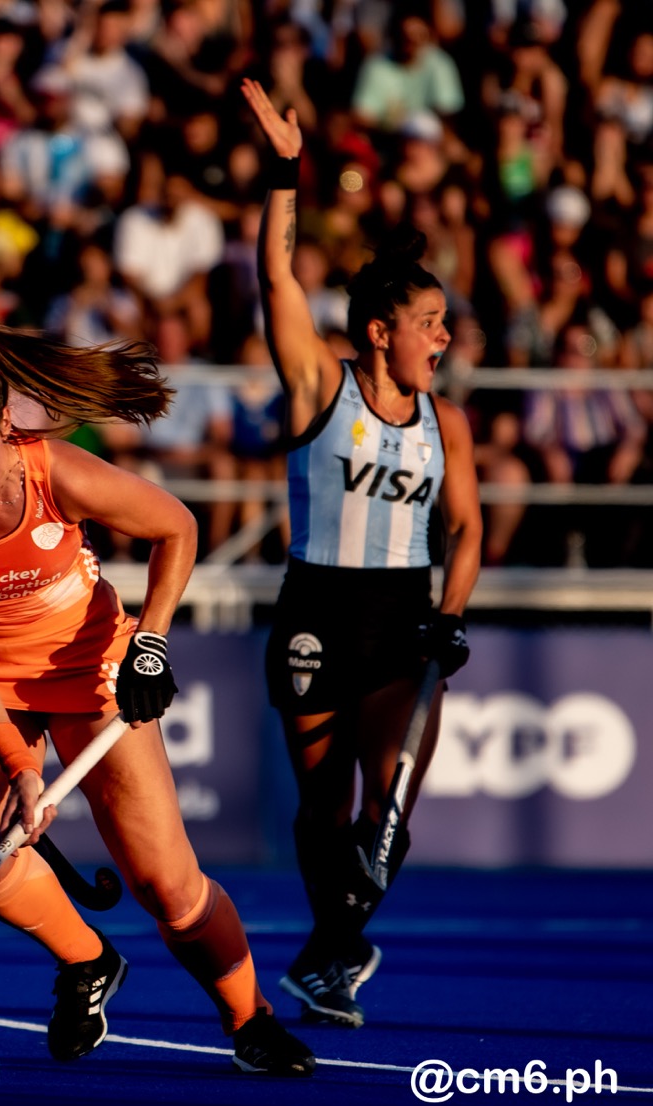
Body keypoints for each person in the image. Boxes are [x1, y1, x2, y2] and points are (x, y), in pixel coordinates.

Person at [0, 320, 316, 1077]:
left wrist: (150, 641)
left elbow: (175, 528)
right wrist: (17, 760)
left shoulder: (57, 471)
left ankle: (250, 1016)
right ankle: (86, 958)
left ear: (5, 425)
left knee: (167, 884)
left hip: (87, 661)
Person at [242, 78, 483, 1028]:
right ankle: (332, 952)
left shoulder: (446, 422)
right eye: (431, 323)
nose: (445, 336)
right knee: (324, 812)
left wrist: (452, 614)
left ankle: (330, 949)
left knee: (386, 815)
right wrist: (284, 171)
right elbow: (275, 279)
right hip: (315, 611)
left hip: (399, 618)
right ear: (382, 330)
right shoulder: (320, 387)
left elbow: (465, 527)